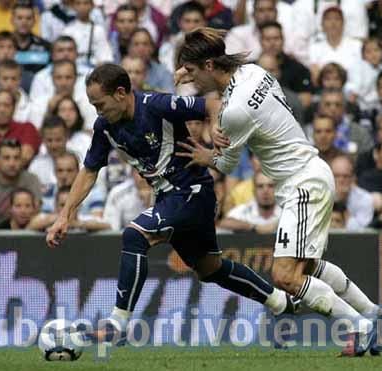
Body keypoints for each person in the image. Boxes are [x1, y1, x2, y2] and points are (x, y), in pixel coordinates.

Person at [46, 63, 298, 345]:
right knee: (210, 268)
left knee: (135, 234)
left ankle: (118, 324)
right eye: (93, 105)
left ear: (120, 93)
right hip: (170, 199)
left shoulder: (156, 105)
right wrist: (64, 216)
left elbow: (212, 104)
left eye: (100, 104)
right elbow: (90, 169)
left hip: (192, 192)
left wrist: (214, 128)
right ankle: (280, 303)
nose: (97, 111)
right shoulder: (105, 126)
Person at [175, 27, 382, 356]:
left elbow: (227, 164)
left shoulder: (235, 112)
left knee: (285, 276)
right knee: (309, 265)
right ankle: (373, 312)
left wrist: (207, 154)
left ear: (209, 65)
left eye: (190, 71)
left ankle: (360, 326)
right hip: (309, 175)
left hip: (302, 183)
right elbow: (226, 102)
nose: (187, 78)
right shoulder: (253, 71)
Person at [0, 89, 41, 168]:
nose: (1, 110)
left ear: (14, 108)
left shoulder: (27, 128)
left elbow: (25, 156)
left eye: (6, 105)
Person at [61, 0, 113, 68]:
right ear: (73, 6)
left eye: (86, 3)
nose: (82, 7)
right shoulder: (67, 30)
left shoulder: (98, 30)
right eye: (78, 3)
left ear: (92, 6)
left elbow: (105, 55)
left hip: (94, 69)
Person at [330, 155, 374, 231]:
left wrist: (342, 207)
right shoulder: (320, 196)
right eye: (336, 176)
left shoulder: (365, 198)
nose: (341, 180)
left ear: (353, 177)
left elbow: (361, 232)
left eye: (345, 176)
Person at [12, 1, 51, 74]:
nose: (24, 22)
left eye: (28, 18)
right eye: (19, 18)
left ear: (34, 21)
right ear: (12, 20)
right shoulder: (3, 46)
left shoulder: (46, 47)